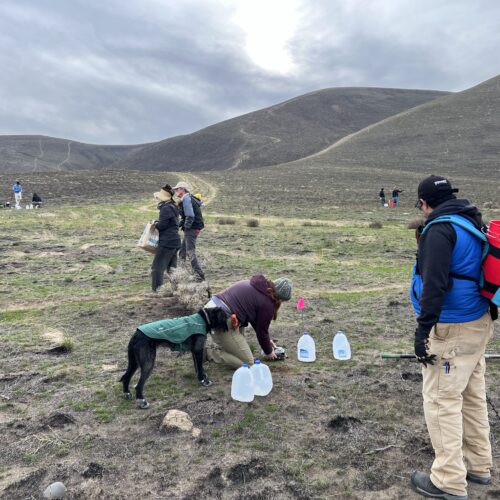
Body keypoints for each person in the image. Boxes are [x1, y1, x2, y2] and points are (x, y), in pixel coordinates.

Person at [409, 175, 496, 499]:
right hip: (477, 324)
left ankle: (448, 481)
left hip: (452, 330)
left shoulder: (439, 230)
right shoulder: (471, 223)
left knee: (441, 400)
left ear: (424, 203)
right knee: (472, 396)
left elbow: (435, 286)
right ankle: (478, 466)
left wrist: (422, 330)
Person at [205, 275, 293, 368]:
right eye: (282, 300)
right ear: (279, 297)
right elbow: (261, 332)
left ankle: (227, 346)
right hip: (220, 319)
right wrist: (269, 352)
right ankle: (208, 353)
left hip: (212, 309)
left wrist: (268, 341)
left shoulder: (259, 286)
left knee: (240, 350)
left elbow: (257, 322)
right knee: (248, 363)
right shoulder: (267, 304)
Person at [150, 184, 181, 294]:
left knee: (157, 268)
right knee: (172, 269)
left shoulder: (165, 208)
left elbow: (163, 225)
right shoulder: (174, 206)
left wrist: (154, 224)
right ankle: (176, 290)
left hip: (167, 242)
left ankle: (157, 291)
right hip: (175, 241)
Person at [173, 181, 205, 282]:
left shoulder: (186, 198)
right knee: (182, 252)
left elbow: (190, 215)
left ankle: (200, 276)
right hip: (192, 228)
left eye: (177, 189)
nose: (176, 191)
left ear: (182, 189)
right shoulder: (188, 198)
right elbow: (187, 216)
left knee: (190, 253)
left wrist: (186, 226)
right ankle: (181, 273)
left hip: (191, 229)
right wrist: (180, 224)